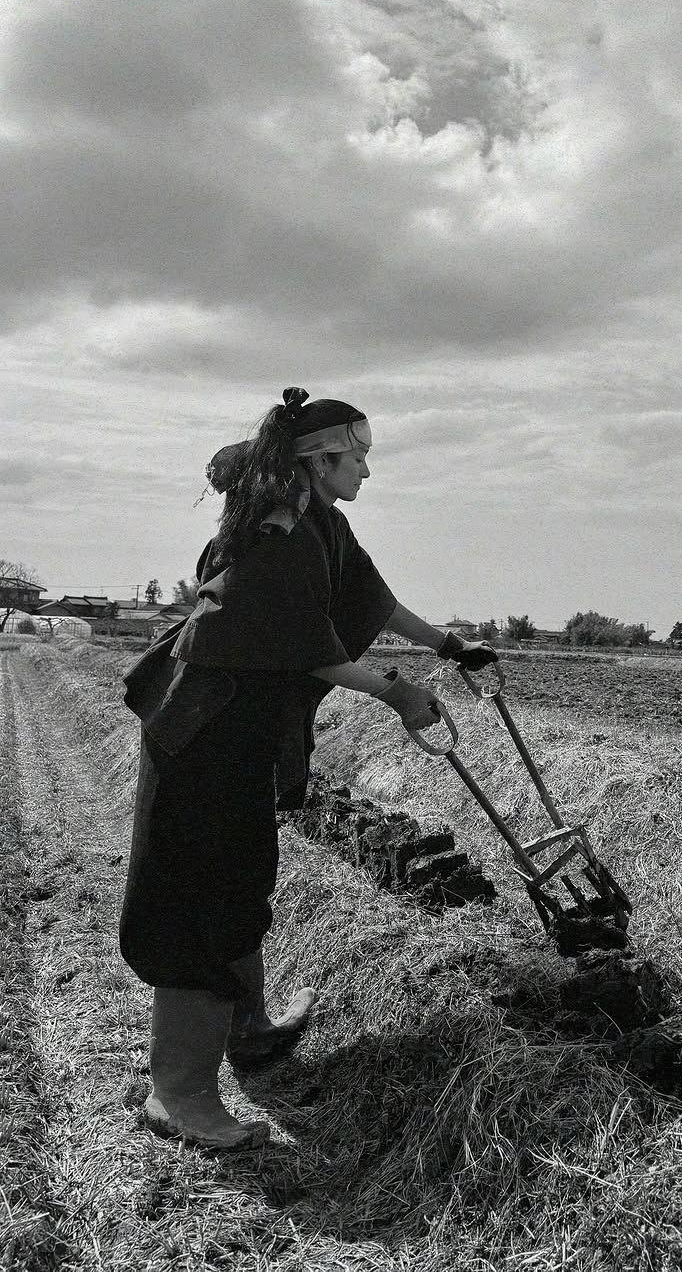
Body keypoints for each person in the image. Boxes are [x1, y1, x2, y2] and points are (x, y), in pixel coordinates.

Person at [119, 388, 497, 1150]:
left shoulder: (324, 521)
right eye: (355, 455)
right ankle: (178, 1093)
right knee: (200, 896)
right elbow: (317, 648)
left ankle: (249, 1031)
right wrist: (400, 693)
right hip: (203, 736)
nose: (365, 469)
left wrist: (448, 647)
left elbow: (374, 602)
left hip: (243, 733)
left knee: (242, 877)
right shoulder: (277, 534)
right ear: (317, 459)